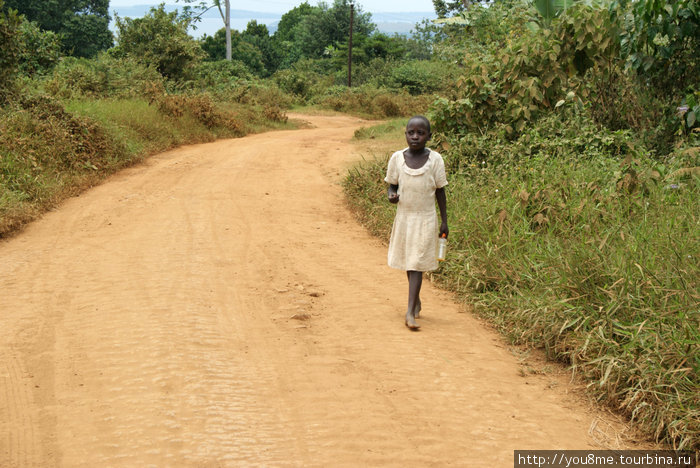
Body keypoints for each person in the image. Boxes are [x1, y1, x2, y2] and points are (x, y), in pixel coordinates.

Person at [385, 115, 448, 330]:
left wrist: (444, 222)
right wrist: (391, 195)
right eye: (411, 132)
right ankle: (416, 300)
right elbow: (392, 185)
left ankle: (410, 311)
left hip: (426, 218)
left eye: (421, 133)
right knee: (410, 261)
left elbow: (440, 191)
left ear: (429, 136)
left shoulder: (436, 160)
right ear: (405, 134)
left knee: (417, 264)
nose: (415, 137)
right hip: (405, 217)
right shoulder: (397, 158)